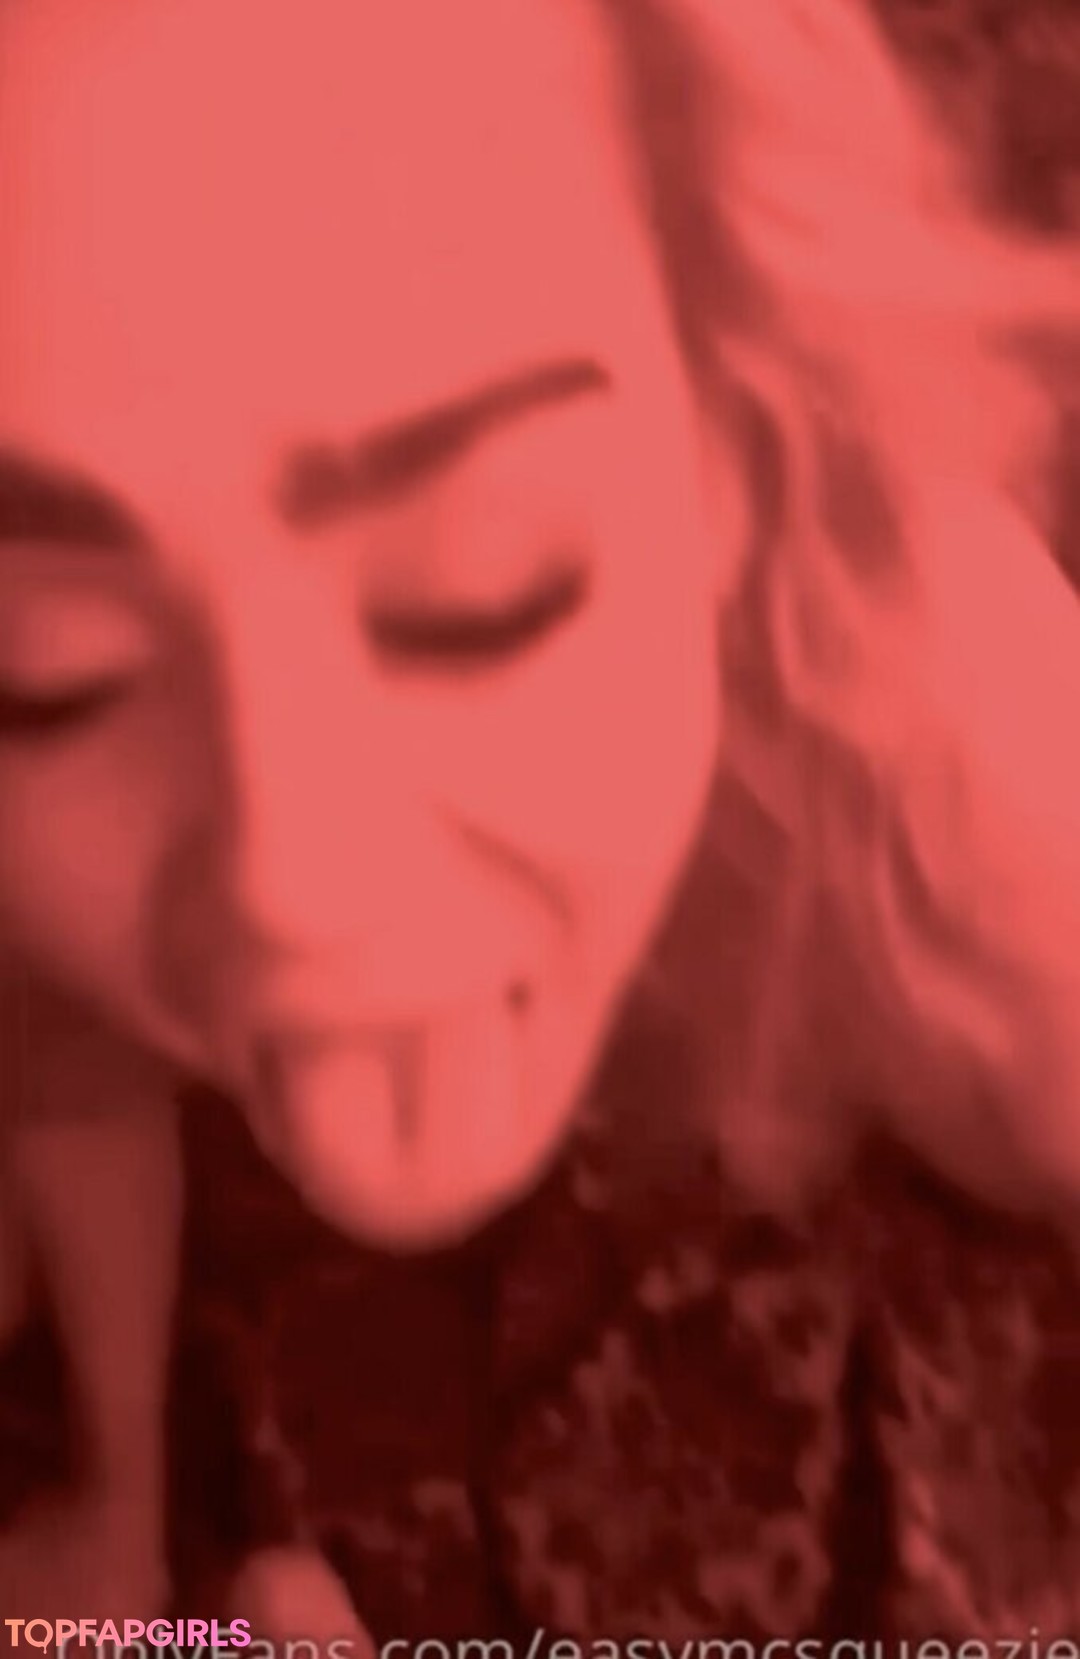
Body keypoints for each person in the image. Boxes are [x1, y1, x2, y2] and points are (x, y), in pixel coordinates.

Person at [0, 0, 1079, 1641]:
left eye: (476, 586)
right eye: (52, 667)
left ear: (737, 446)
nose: (295, 881)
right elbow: (64, 1060)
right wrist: (118, 1515)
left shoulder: (974, 799)